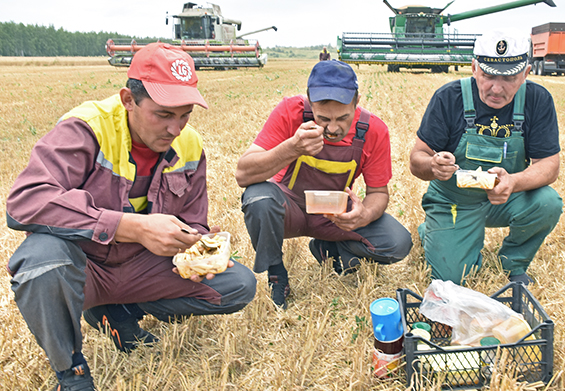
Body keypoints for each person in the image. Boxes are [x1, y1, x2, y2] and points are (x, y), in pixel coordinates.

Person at [6, 42, 256, 390]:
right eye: (164, 114)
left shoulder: (190, 146)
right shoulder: (87, 129)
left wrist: (198, 248)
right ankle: (71, 371)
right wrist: (131, 226)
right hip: (84, 266)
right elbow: (26, 201)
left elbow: (193, 220)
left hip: (141, 267)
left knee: (236, 286)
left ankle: (116, 312)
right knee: (41, 263)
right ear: (128, 100)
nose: (176, 128)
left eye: (185, 115)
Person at [236, 60, 413, 309]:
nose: (331, 128)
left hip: (333, 215)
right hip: (289, 210)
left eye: (342, 118)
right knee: (258, 198)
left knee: (397, 242)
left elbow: (378, 193)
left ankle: (329, 250)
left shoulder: (373, 130)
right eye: (323, 118)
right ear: (309, 101)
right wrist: (292, 148)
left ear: (357, 101)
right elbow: (243, 174)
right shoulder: (290, 111)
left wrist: (364, 214)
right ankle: (277, 274)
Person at [409, 28, 562, 286]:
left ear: (525, 73)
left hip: (504, 198)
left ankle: (513, 262)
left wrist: (513, 182)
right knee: (453, 278)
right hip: (454, 200)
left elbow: (550, 165)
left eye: (509, 78)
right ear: (474, 68)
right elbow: (417, 159)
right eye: (488, 75)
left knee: (548, 202)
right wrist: (433, 165)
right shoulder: (449, 98)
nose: (496, 88)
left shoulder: (537, 100)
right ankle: (434, 231)